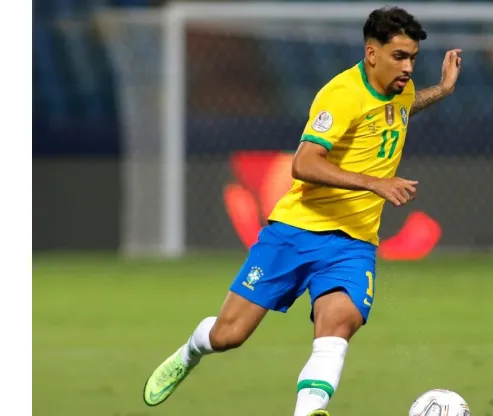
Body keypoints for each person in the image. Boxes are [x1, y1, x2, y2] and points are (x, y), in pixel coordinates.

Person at [142, 6, 462, 416]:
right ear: (371, 54)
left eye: (413, 57)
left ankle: (309, 411)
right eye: (400, 56)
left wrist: (443, 89)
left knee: (339, 324)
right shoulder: (341, 95)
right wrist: (375, 183)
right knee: (228, 335)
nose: (408, 66)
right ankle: (189, 353)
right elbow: (304, 163)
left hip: (353, 242)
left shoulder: (400, 89)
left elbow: (399, 110)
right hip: (296, 231)